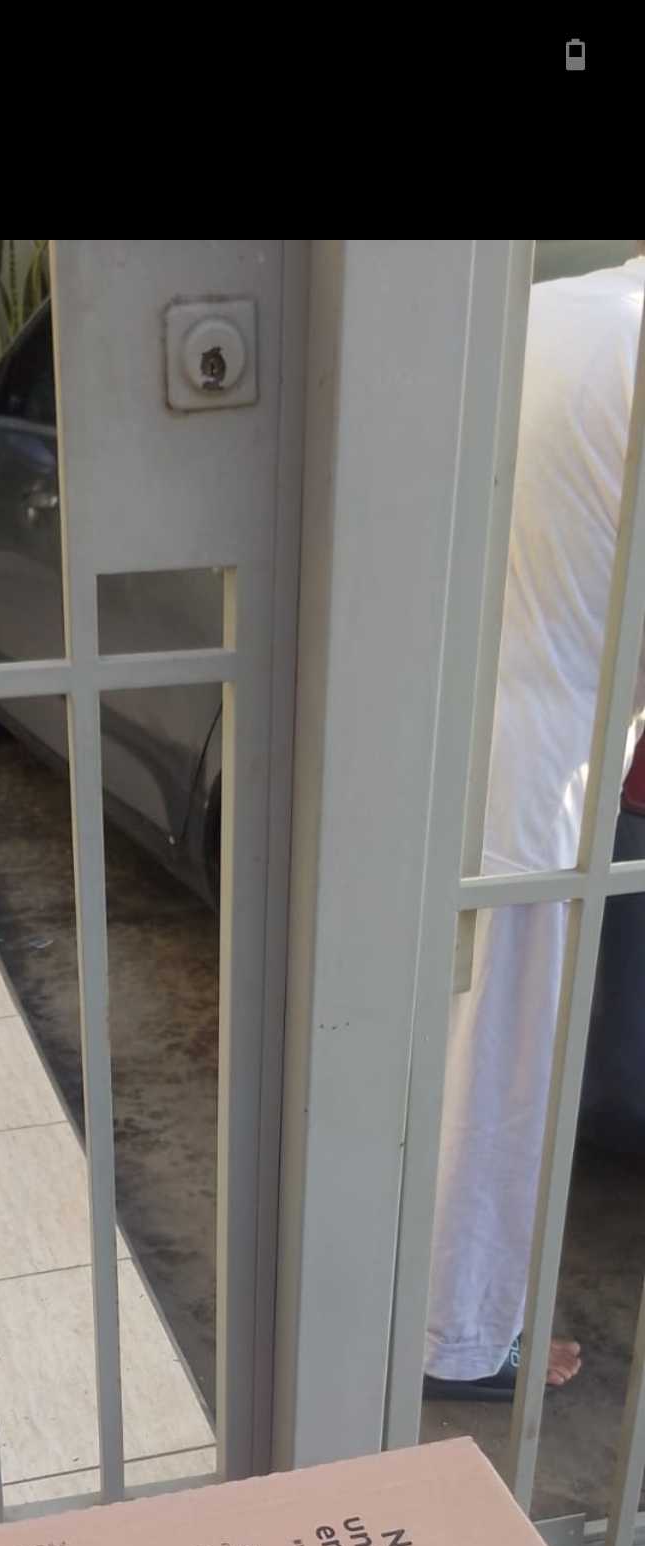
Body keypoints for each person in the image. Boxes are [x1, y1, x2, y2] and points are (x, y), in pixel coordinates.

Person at [424, 248, 645, 1403]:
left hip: (443, 732)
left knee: (436, 1050)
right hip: (545, 769)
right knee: (502, 1073)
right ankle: (462, 1340)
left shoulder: (543, 311)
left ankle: (414, 1303)